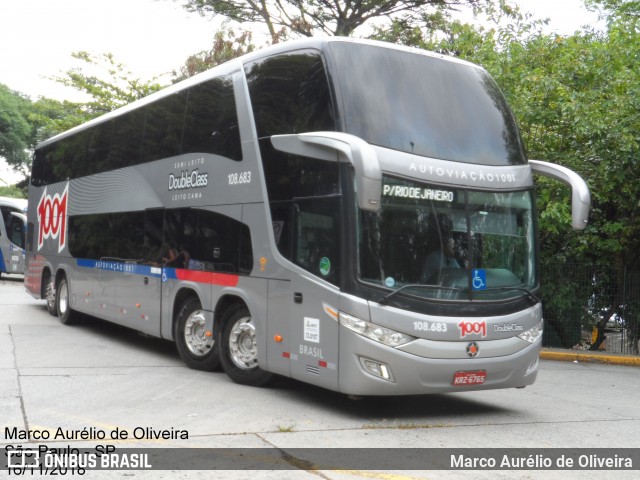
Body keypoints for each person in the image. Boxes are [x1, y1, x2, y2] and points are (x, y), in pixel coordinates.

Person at [422, 213, 460, 283]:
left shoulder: (450, 259)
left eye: (454, 246)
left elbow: (458, 273)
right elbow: (445, 275)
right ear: (444, 246)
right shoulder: (434, 257)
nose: (454, 249)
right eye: (451, 246)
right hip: (427, 290)